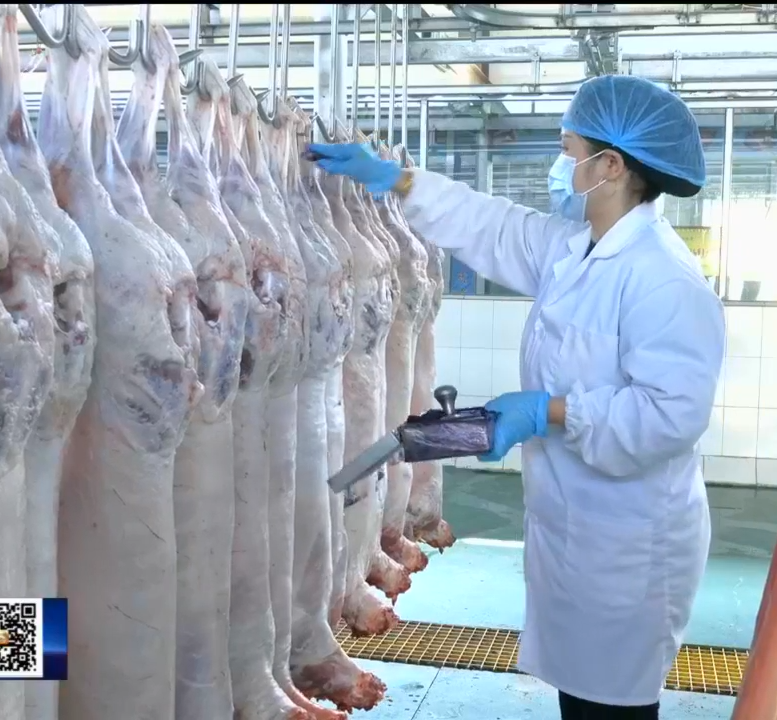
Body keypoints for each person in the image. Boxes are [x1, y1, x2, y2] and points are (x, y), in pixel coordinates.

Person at [310, 74, 725, 720]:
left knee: (612, 709)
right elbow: (492, 226)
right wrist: (396, 180)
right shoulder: (575, 247)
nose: (561, 165)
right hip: (574, 531)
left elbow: (671, 415)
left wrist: (547, 411)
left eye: (569, 150)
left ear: (610, 167)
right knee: (582, 702)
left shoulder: (663, 277)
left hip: (629, 547)